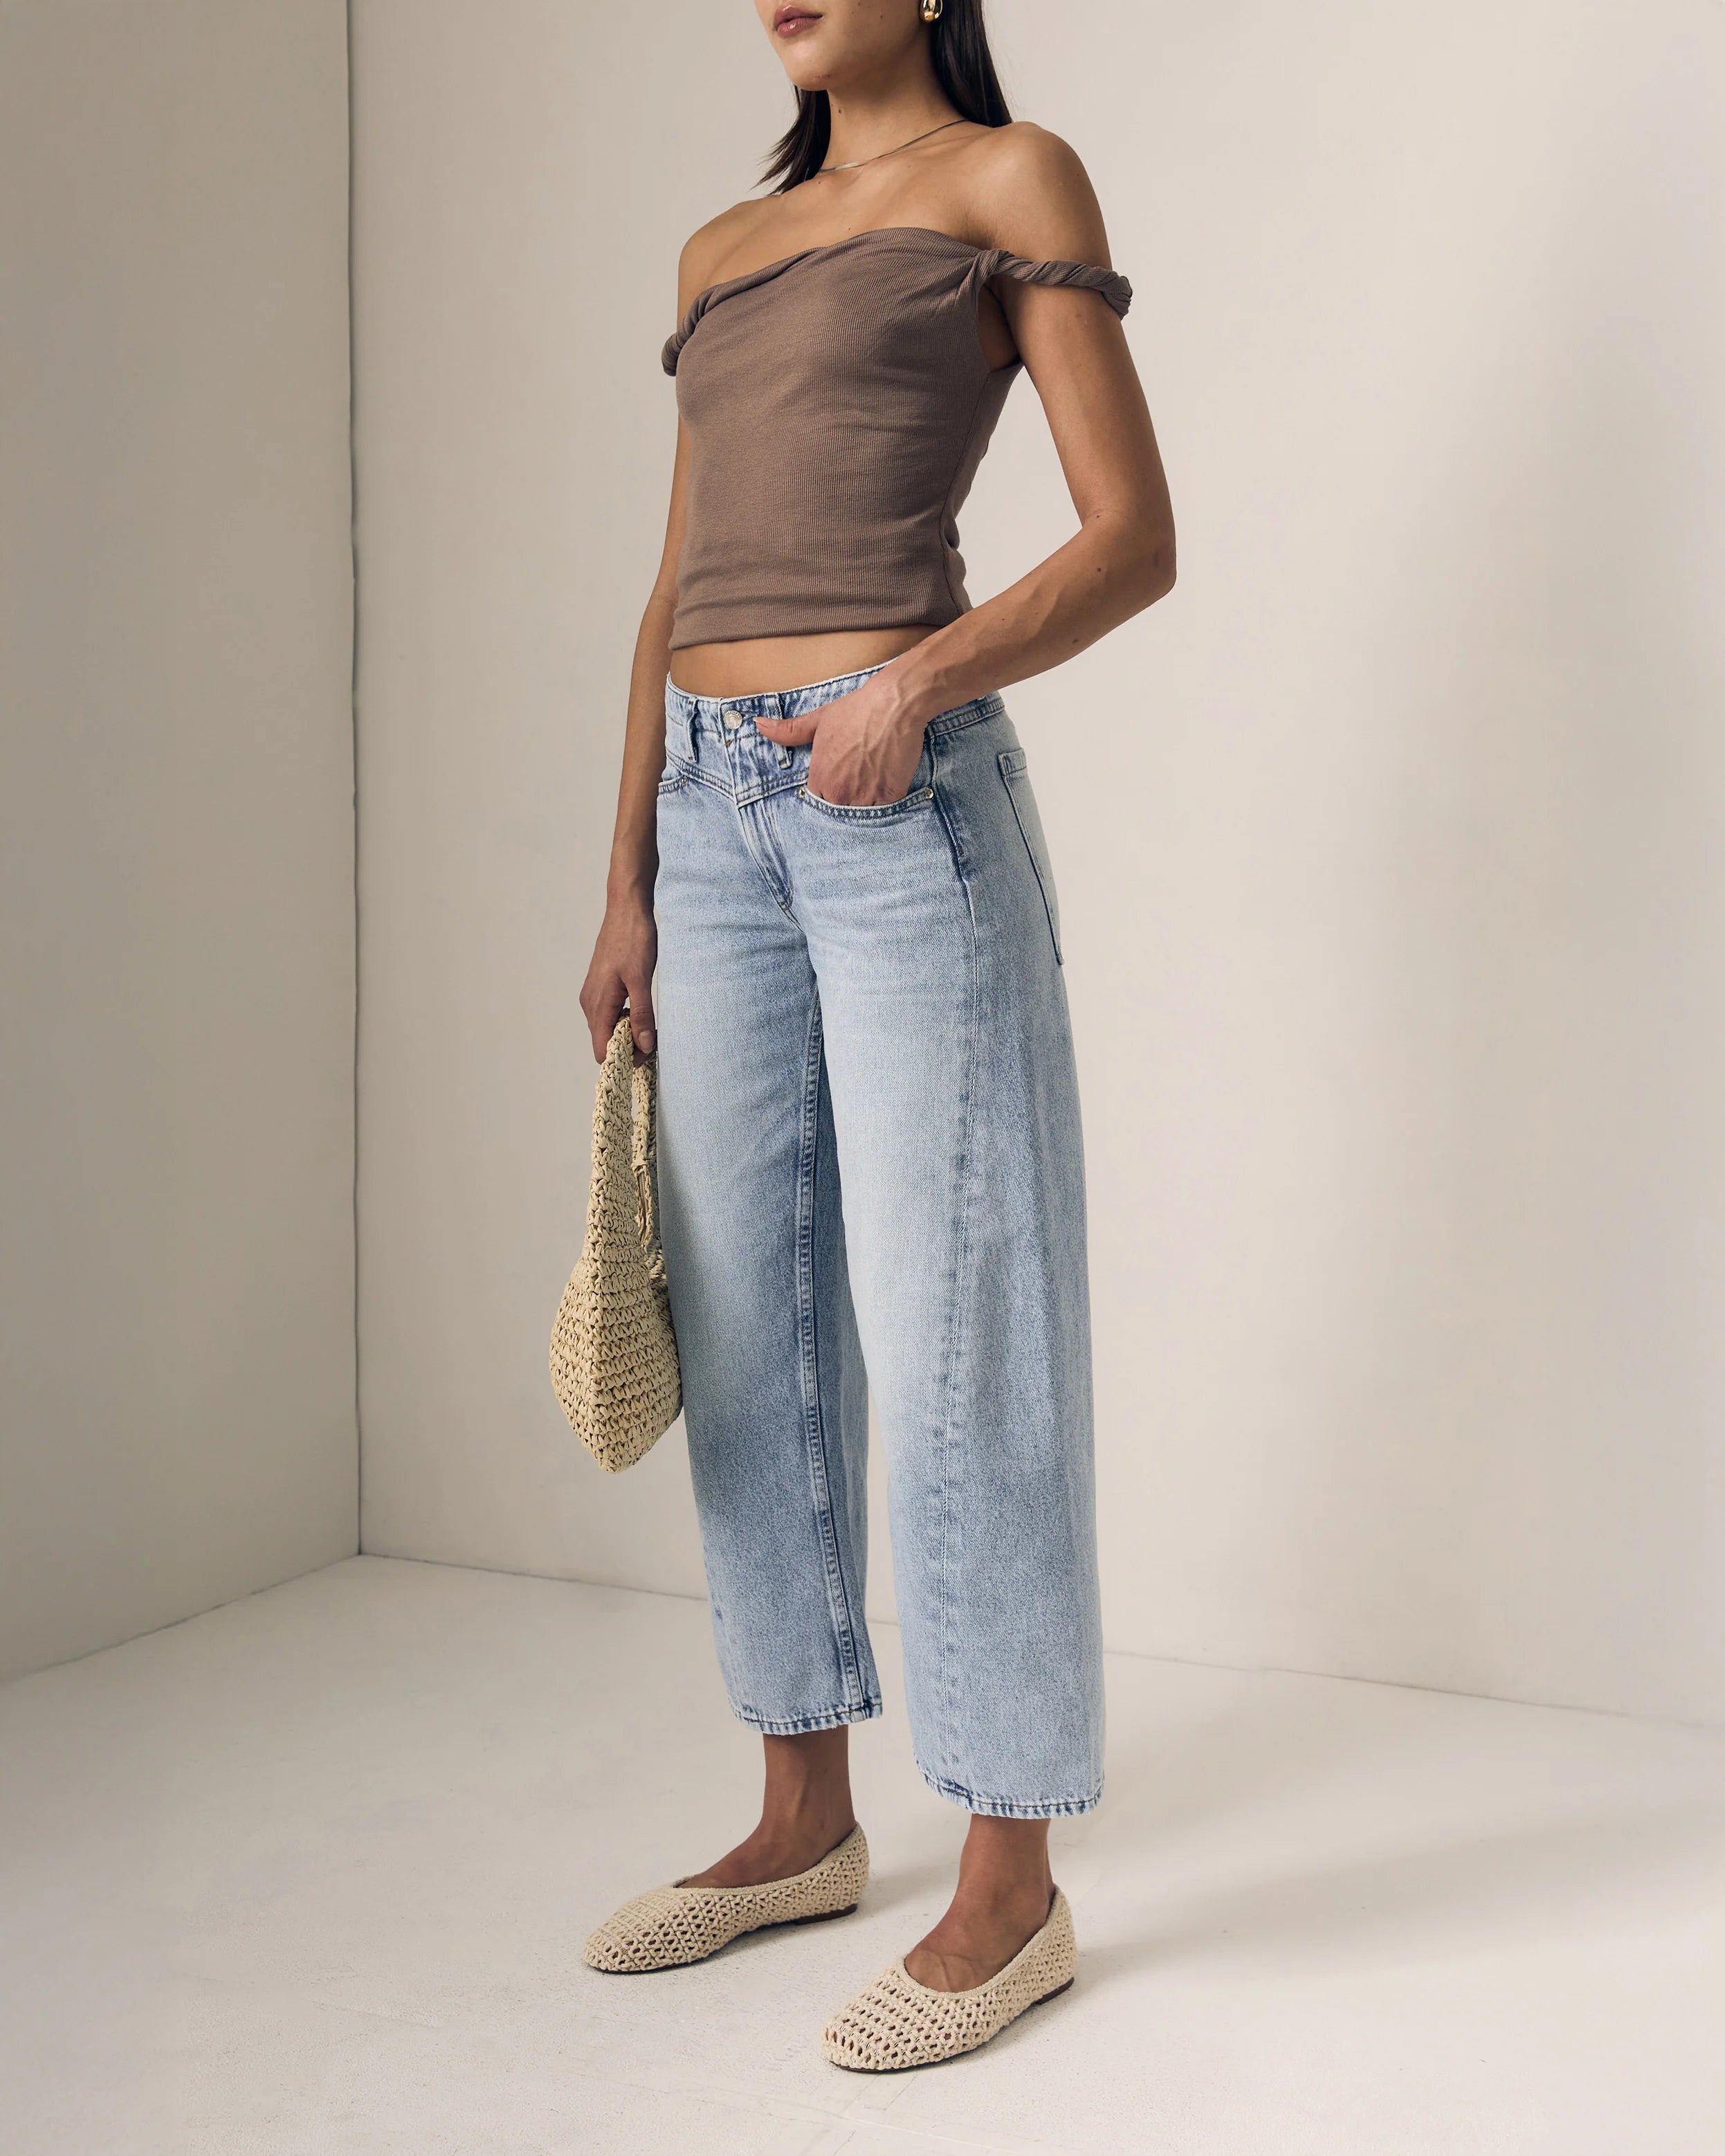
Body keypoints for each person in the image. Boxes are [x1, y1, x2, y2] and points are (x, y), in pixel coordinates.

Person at [577, 0, 1174, 2070]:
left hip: (892, 805)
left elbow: (1131, 536)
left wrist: (915, 683)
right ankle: (804, 1811)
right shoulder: (717, 255)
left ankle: (1009, 1881)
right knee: (750, 1327)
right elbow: (673, 587)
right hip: (714, 820)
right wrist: (628, 873)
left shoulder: (1013, 184)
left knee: (956, 1325)